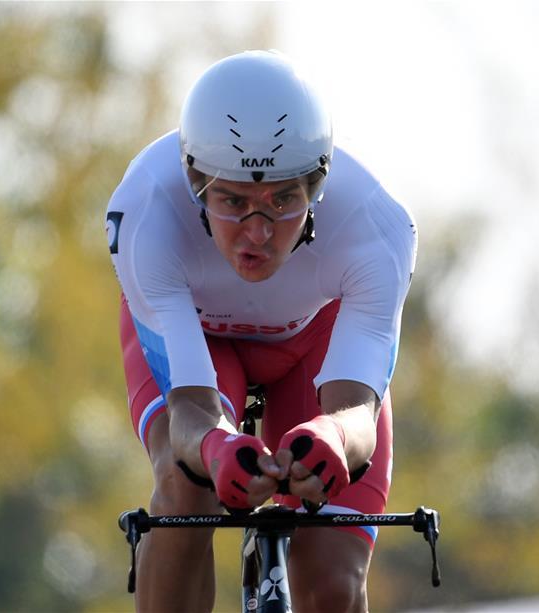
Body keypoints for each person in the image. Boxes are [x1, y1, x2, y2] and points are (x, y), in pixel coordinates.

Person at [106, 50, 417, 613]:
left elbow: (356, 412)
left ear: (318, 186)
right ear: (195, 181)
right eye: (232, 201)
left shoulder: (377, 227)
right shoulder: (147, 210)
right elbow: (192, 414)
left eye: (282, 200)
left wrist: (333, 439)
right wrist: (217, 447)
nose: (257, 232)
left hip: (311, 340)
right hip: (199, 339)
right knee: (186, 489)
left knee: (333, 582)